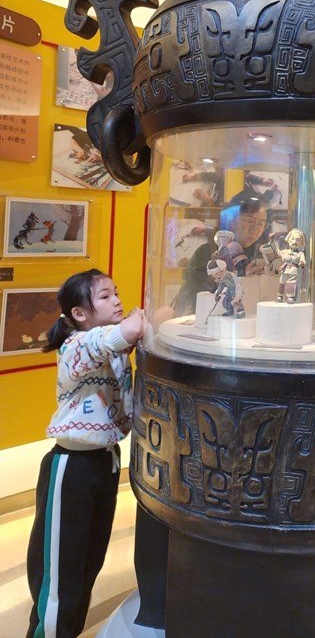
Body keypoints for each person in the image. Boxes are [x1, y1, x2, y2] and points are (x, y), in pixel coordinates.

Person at [26, 269, 144, 638]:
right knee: (60, 573)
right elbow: (126, 332)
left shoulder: (111, 346)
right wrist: (143, 318)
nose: (117, 300)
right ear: (79, 313)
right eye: (106, 296)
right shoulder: (76, 345)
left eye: (116, 292)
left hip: (105, 462)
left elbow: (125, 337)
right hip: (72, 465)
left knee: (87, 563)